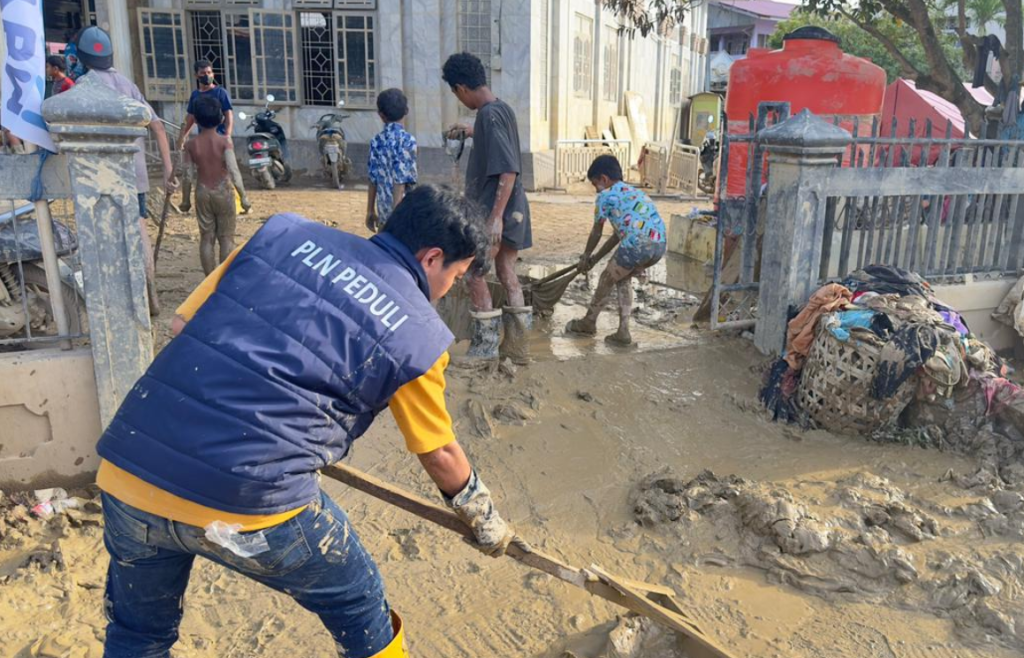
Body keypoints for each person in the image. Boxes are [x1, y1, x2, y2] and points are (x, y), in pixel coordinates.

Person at [94, 185, 516, 658]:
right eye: (455, 276)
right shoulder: (417, 332)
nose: (448, 290)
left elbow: (183, 327)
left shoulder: (284, 234)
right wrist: (485, 518)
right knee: (361, 606)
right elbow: (438, 452)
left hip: (129, 470)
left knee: (138, 635)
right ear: (433, 257)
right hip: (248, 500)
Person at [75, 26, 176, 316]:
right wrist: (169, 170)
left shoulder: (84, 86)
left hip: (100, 176)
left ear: (82, 56)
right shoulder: (127, 85)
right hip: (136, 175)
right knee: (140, 229)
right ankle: (151, 295)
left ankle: (119, 301)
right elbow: (157, 126)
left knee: (106, 236)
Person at [442, 52, 532, 365]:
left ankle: (485, 348)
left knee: (475, 273)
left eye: (456, 93)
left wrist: (494, 220)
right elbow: (499, 142)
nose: (458, 98)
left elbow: (508, 170)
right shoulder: (500, 109)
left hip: (498, 209)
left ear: (461, 88)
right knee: (508, 273)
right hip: (516, 208)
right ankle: (518, 347)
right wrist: (471, 131)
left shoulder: (488, 116)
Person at [565, 155, 667, 346]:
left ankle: (589, 322)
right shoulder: (634, 193)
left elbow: (597, 231)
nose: (596, 190)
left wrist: (586, 256)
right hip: (658, 245)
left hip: (636, 244)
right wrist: (595, 259)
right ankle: (623, 332)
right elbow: (616, 237)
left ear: (604, 179)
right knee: (622, 277)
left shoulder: (605, 196)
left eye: (595, 184)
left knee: (606, 278)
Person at [184, 95, 251, 275]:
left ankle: (208, 279)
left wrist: (185, 201)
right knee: (226, 237)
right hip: (223, 191)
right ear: (221, 118)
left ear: (196, 119)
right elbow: (234, 171)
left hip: (202, 192)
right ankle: (222, 278)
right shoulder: (224, 142)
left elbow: (187, 176)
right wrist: (243, 197)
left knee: (206, 238)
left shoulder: (191, 145)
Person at [177, 59, 235, 212]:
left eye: (209, 73)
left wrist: (227, 135)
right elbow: (190, 118)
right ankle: (202, 202)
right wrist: (183, 137)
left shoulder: (220, 93)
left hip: (220, 137)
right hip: (203, 138)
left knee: (227, 170)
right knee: (205, 170)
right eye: (203, 73)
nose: (207, 76)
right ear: (196, 75)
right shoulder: (195, 96)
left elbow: (228, 115)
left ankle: (233, 202)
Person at [366, 88, 417, 232]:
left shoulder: (376, 141)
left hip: (384, 215)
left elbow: (372, 179)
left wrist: (370, 211)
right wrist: (397, 216)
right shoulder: (408, 141)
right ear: (406, 110)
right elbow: (400, 181)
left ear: (381, 115)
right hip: (403, 216)